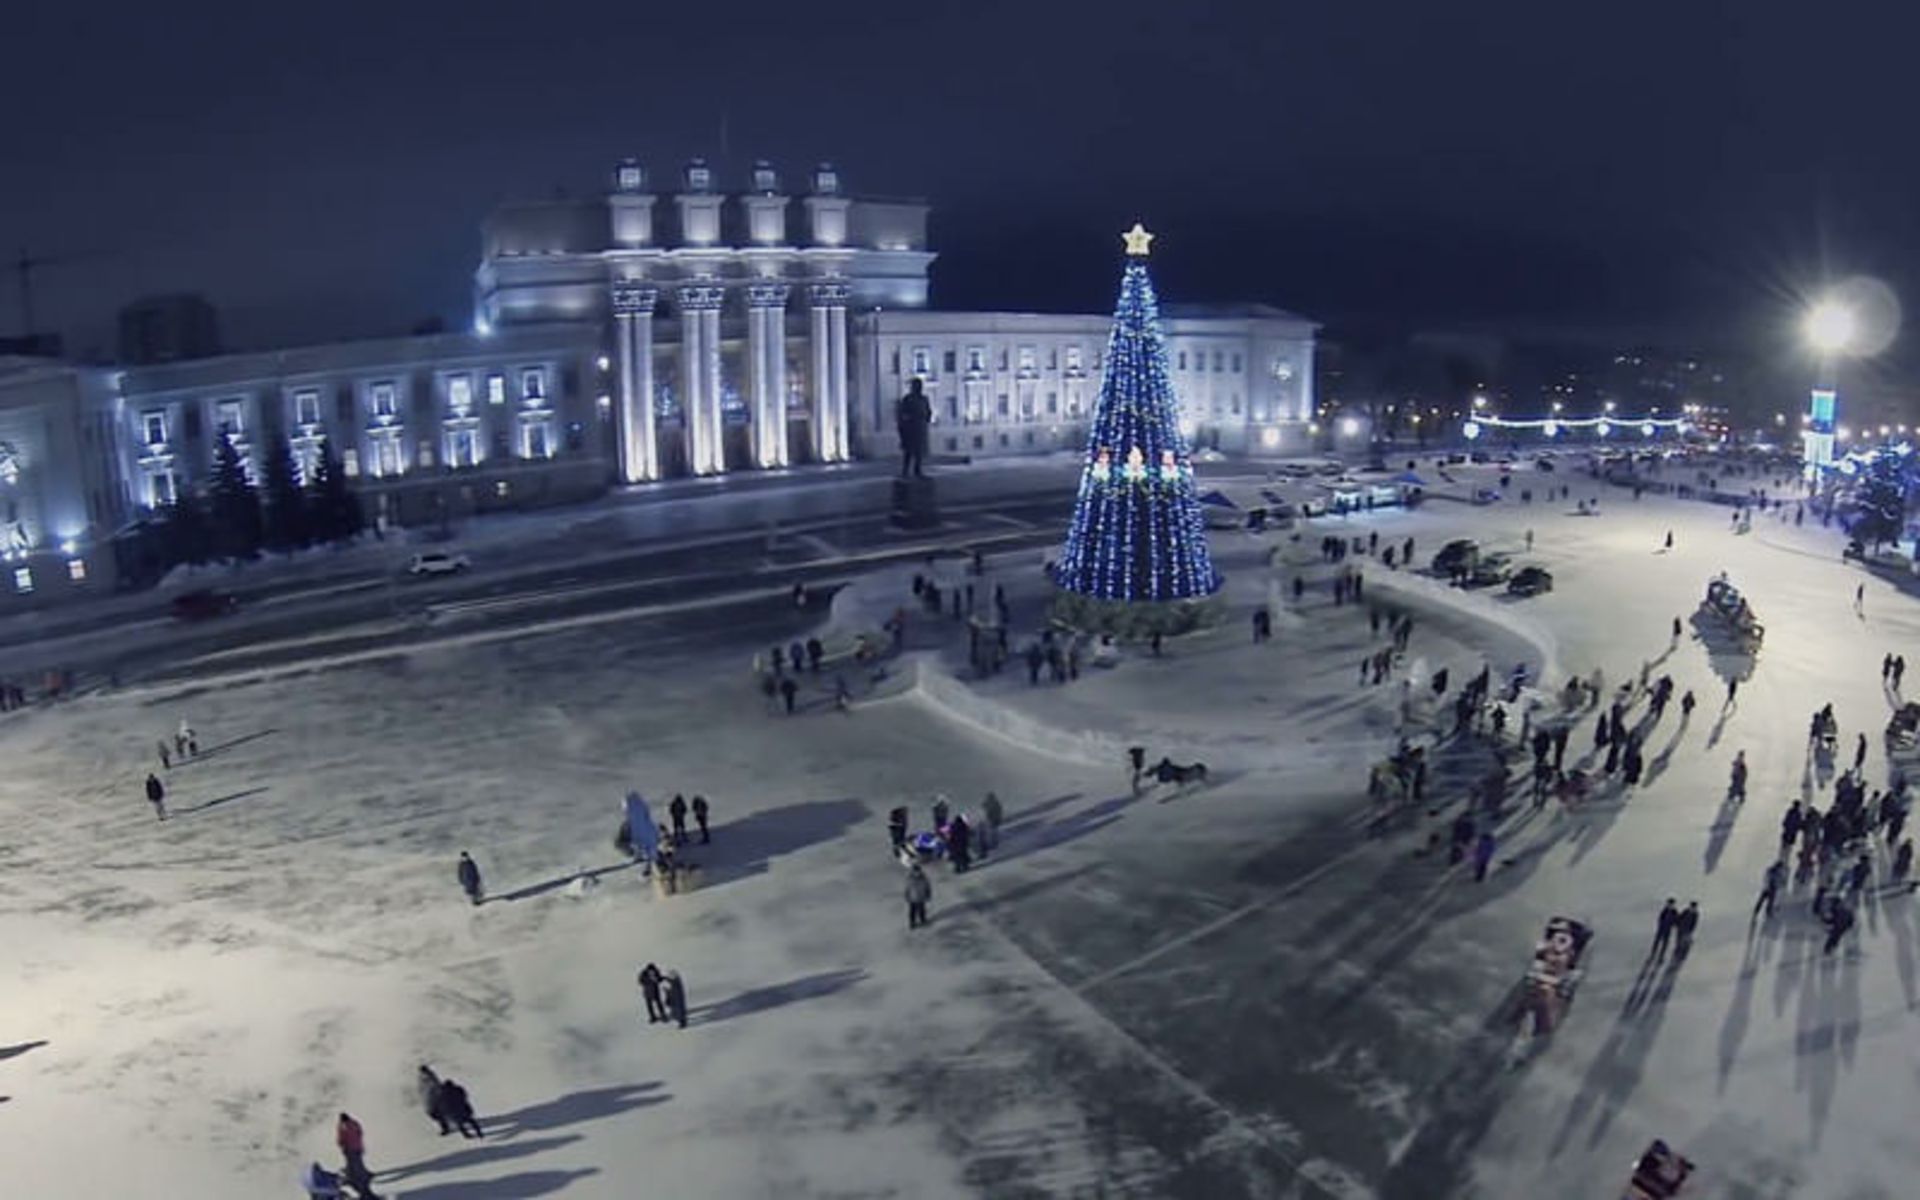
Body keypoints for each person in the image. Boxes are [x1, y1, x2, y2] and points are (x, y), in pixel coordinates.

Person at [896, 377, 933, 478]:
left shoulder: (924, 399)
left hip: (920, 429)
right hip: (910, 430)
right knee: (908, 452)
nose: (919, 388)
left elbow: (928, 412)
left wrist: (926, 418)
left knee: (919, 452)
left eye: (920, 386)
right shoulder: (908, 399)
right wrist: (903, 427)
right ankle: (905, 471)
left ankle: (917, 470)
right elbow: (901, 414)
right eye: (916, 386)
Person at [418, 1065, 452, 1135]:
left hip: (434, 1099)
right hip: (428, 1098)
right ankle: (446, 1125)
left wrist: (438, 1095)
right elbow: (421, 1088)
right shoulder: (421, 1078)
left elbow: (436, 1085)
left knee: (436, 1113)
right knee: (433, 1113)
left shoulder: (431, 1077)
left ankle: (445, 1127)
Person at [336, 1112, 369, 1182]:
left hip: (350, 1149)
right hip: (359, 1146)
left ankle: (353, 1177)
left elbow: (341, 1139)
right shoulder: (355, 1123)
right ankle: (363, 1174)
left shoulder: (342, 1126)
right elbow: (360, 1132)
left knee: (351, 1163)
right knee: (359, 1161)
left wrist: (341, 1144)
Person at [905, 861, 932, 929]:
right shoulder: (910, 879)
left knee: (922, 909)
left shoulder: (924, 878)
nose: (917, 873)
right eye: (915, 871)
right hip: (913, 898)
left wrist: (928, 894)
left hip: (921, 897)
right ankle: (912, 922)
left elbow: (927, 887)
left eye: (918, 871)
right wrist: (907, 896)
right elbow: (907, 888)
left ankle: (923, 920)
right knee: (912, 911)